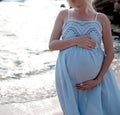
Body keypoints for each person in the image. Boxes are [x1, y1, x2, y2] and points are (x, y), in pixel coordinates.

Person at [49, 0, 120, 115]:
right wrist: (76, 41)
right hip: (68, 80)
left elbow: (110, 51)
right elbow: (52, 45)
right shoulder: (64, 15)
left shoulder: (101, 18)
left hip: (98, 80)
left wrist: (98, 79)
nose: (76, 1)